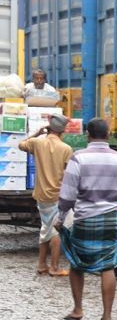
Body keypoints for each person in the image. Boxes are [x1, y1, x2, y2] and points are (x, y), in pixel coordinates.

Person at [55, 118, 117, 320]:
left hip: (84, 219)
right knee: (107, 265)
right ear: (108, 135)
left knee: (76, 261)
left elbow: (67, 196)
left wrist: (60, 218)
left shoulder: (78, 158)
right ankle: (107, 318)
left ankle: (78, 309)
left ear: (88, 135)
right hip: (110, 219)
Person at [19, 114, 73, 276]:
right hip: (57, 195)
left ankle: (42, 264)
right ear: (62, 131)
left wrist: (37, 133)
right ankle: (54, 268)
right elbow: (70, 174)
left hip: (41, 195)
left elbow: (21, 145)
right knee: (57, 230)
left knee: (45, 229)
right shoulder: (66, 149)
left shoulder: (37, 143)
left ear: (48, 129)